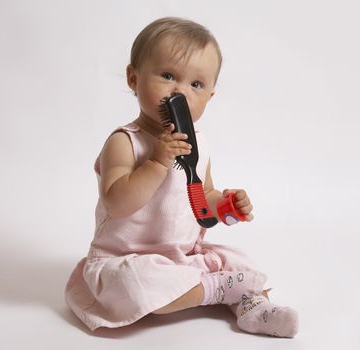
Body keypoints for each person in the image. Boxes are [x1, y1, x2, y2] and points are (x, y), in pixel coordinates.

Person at [65, 17, 299, 338]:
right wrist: (157, 162)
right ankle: (222, 292)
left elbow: (203, 202)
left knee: (240, 262)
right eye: (168, 76)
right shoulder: (124, 141)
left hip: (183, 257)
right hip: (127, 261)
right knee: (136, 285)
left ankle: (253, 309)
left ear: (210, 97)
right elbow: (117, 203)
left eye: (196, 85)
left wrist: (227, 205)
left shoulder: (198, 144)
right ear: (134, 78)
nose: (181, 91)